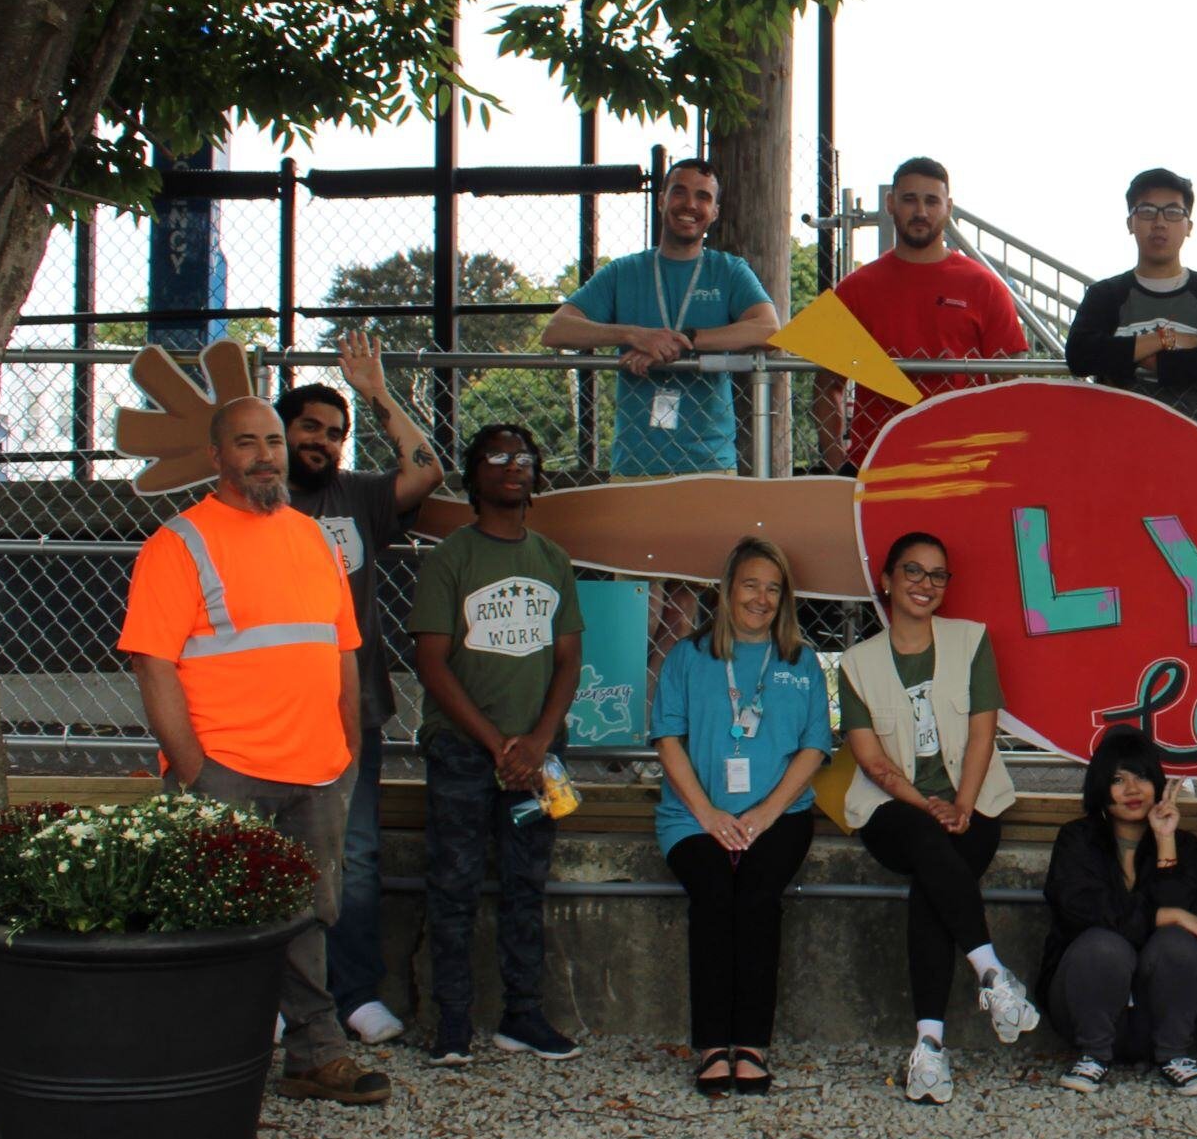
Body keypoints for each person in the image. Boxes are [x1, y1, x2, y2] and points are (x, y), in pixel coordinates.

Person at [118, 397, 388, 1106]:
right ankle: (206, 1064)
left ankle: (314, 1057)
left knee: (308, 916)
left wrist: (349, 748)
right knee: (215, 919)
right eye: (247, 442)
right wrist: (194, 768)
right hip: (227, 769)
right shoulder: (179, 543)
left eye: (273, 440)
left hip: (319, 766)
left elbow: (343, 652)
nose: (266, 454)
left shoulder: (312, 539)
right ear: (217, 457)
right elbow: (153, 664)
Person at [837, 531, 1044, 1104]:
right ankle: (992, 973)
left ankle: (929, 1047)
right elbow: (870, 758)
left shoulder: (970, 641)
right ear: (885, 579)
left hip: (974, 803)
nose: (925, 584)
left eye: (937, 575)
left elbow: (983, 730)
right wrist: (922, 802)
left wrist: (962, 802)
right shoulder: (856, 663)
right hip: (891, 808)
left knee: (932, 889)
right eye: (913, 571)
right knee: (928, 845)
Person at [279, 333, 443, 1048]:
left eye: (334, 434)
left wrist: (377, 395)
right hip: (266, 716)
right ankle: (276, 1000)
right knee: (270, 854)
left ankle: (352, 996)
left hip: (352, 712)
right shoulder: (256, 499)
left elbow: (428, 468)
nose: (321, 441)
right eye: (309, 427)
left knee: (356, 854)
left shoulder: (358, 498)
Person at [542, 158, 780, 651]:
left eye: (703, 197)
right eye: (680, 192)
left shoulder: (728, 271)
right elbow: (557, 330)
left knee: (684, 606)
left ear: (714, 211)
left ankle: (665, 719)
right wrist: (633, 333)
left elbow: (769, 329)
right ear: (662, 199)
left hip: (706, 464)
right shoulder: (626, 272)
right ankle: (624, 715)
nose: (689, 205)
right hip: (638, 463)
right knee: (637, 601)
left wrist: (686, 341)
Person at [407, 421, 585, 1067]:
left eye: (526, 455)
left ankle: (522, 1016)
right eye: (498, 455)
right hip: (461, 753)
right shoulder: (451, 558)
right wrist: (495, 744)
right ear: (472, 475)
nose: (515, 465)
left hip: (536, 763)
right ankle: (452, 1022)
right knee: (452, 885)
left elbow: (568, 658)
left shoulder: (552, 559)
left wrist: (536, 742)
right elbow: (432, 662)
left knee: (525, 884)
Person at [649, 536, 833, 1095]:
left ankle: (750, 1044)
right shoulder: (689, 655)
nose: (761, 598)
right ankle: (711, 1045)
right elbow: (668, 738)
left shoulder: (801, 662)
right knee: (713, 895)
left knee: (756, 897)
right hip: (693, 817)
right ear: (727, 589)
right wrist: (706, 814)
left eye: (774, 589)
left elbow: (813, 747)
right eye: (751, 585)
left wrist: (764, 814)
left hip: (779, 815)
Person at [819, 156, 1029, 472]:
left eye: (932, 201)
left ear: (949, 207)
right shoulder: (854, 287)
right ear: (890, 204)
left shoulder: (984, 286)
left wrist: (996, 461)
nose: (921, 212)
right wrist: (838, 465)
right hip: (875, 467)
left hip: (962, 468)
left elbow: (1010, 390)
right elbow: (826, 386)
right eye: (909, 200)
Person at [1042, 730, 1197, 1096]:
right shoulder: (1077, 840)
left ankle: (1174, 1056)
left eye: (1140, 776)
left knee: (1180, 942)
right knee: (1102, 944)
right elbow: (1082, 910)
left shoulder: (1186, 847)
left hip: (1157, 1018)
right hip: (1084, 1006)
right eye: (1118, 780)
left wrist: (1165, 839)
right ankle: (1094, 1056)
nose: (1132, 789)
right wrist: (1161, 915)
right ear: (1100, 789)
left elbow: (1192, 921)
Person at [1064, 168, 1197, 433]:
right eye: (1147, 211)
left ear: (1188, 226)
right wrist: (1163, 340)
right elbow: (1080, 355)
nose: (1159, 222)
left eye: (1172, 212)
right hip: (1118, 446)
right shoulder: (1106, 294)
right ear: (1130, 223)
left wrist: (1134, 358)